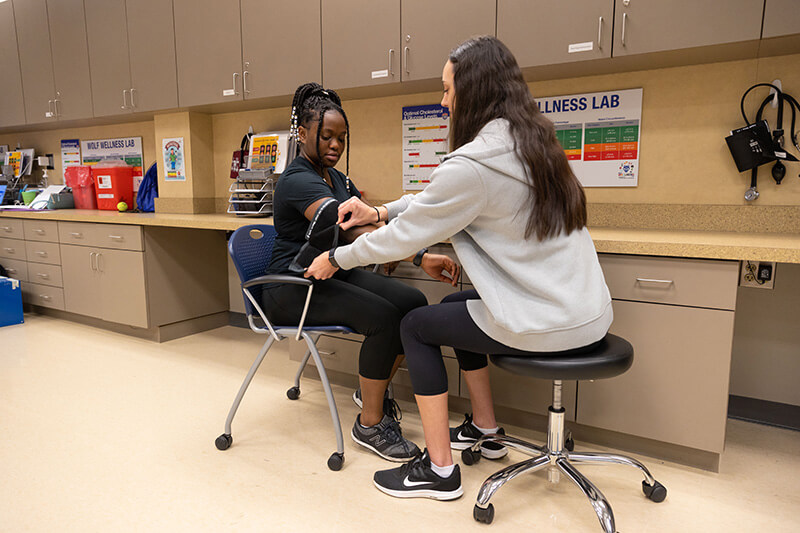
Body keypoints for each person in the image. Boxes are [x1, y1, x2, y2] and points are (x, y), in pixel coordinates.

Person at [305, 37, 613, 500]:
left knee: (416, 325)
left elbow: (412, 230)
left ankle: (439, 469)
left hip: (548, 322)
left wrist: (335, 258)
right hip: (584, 311)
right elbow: (435, 199)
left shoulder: (475, 162)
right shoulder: (532, 142)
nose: (444, 100)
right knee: (456, 306)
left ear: (474, 89)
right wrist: (381, 211)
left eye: (448, 89)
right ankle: (486, 429)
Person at [263, 82, 460, 463]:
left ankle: (372, 389)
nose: (336, 145)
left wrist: (399, 244)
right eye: (327, 136)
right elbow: (351, 227)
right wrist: (420, 257)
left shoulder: (336, 178)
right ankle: (370, 423)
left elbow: (370, 216)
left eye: (342, 138)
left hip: (330, 273)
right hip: (291, 286)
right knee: (385, 319)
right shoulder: (296, 180)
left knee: (412, 302)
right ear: (302, 134)